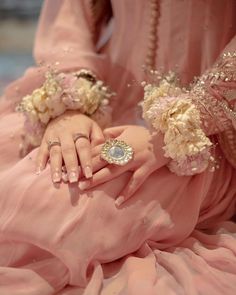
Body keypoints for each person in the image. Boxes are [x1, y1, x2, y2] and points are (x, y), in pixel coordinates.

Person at [0, 0, 236, 294]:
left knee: (50, 208)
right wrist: (70, 104)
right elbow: (71, 18)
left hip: (205, 140)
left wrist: (179, 127)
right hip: (104, 100)